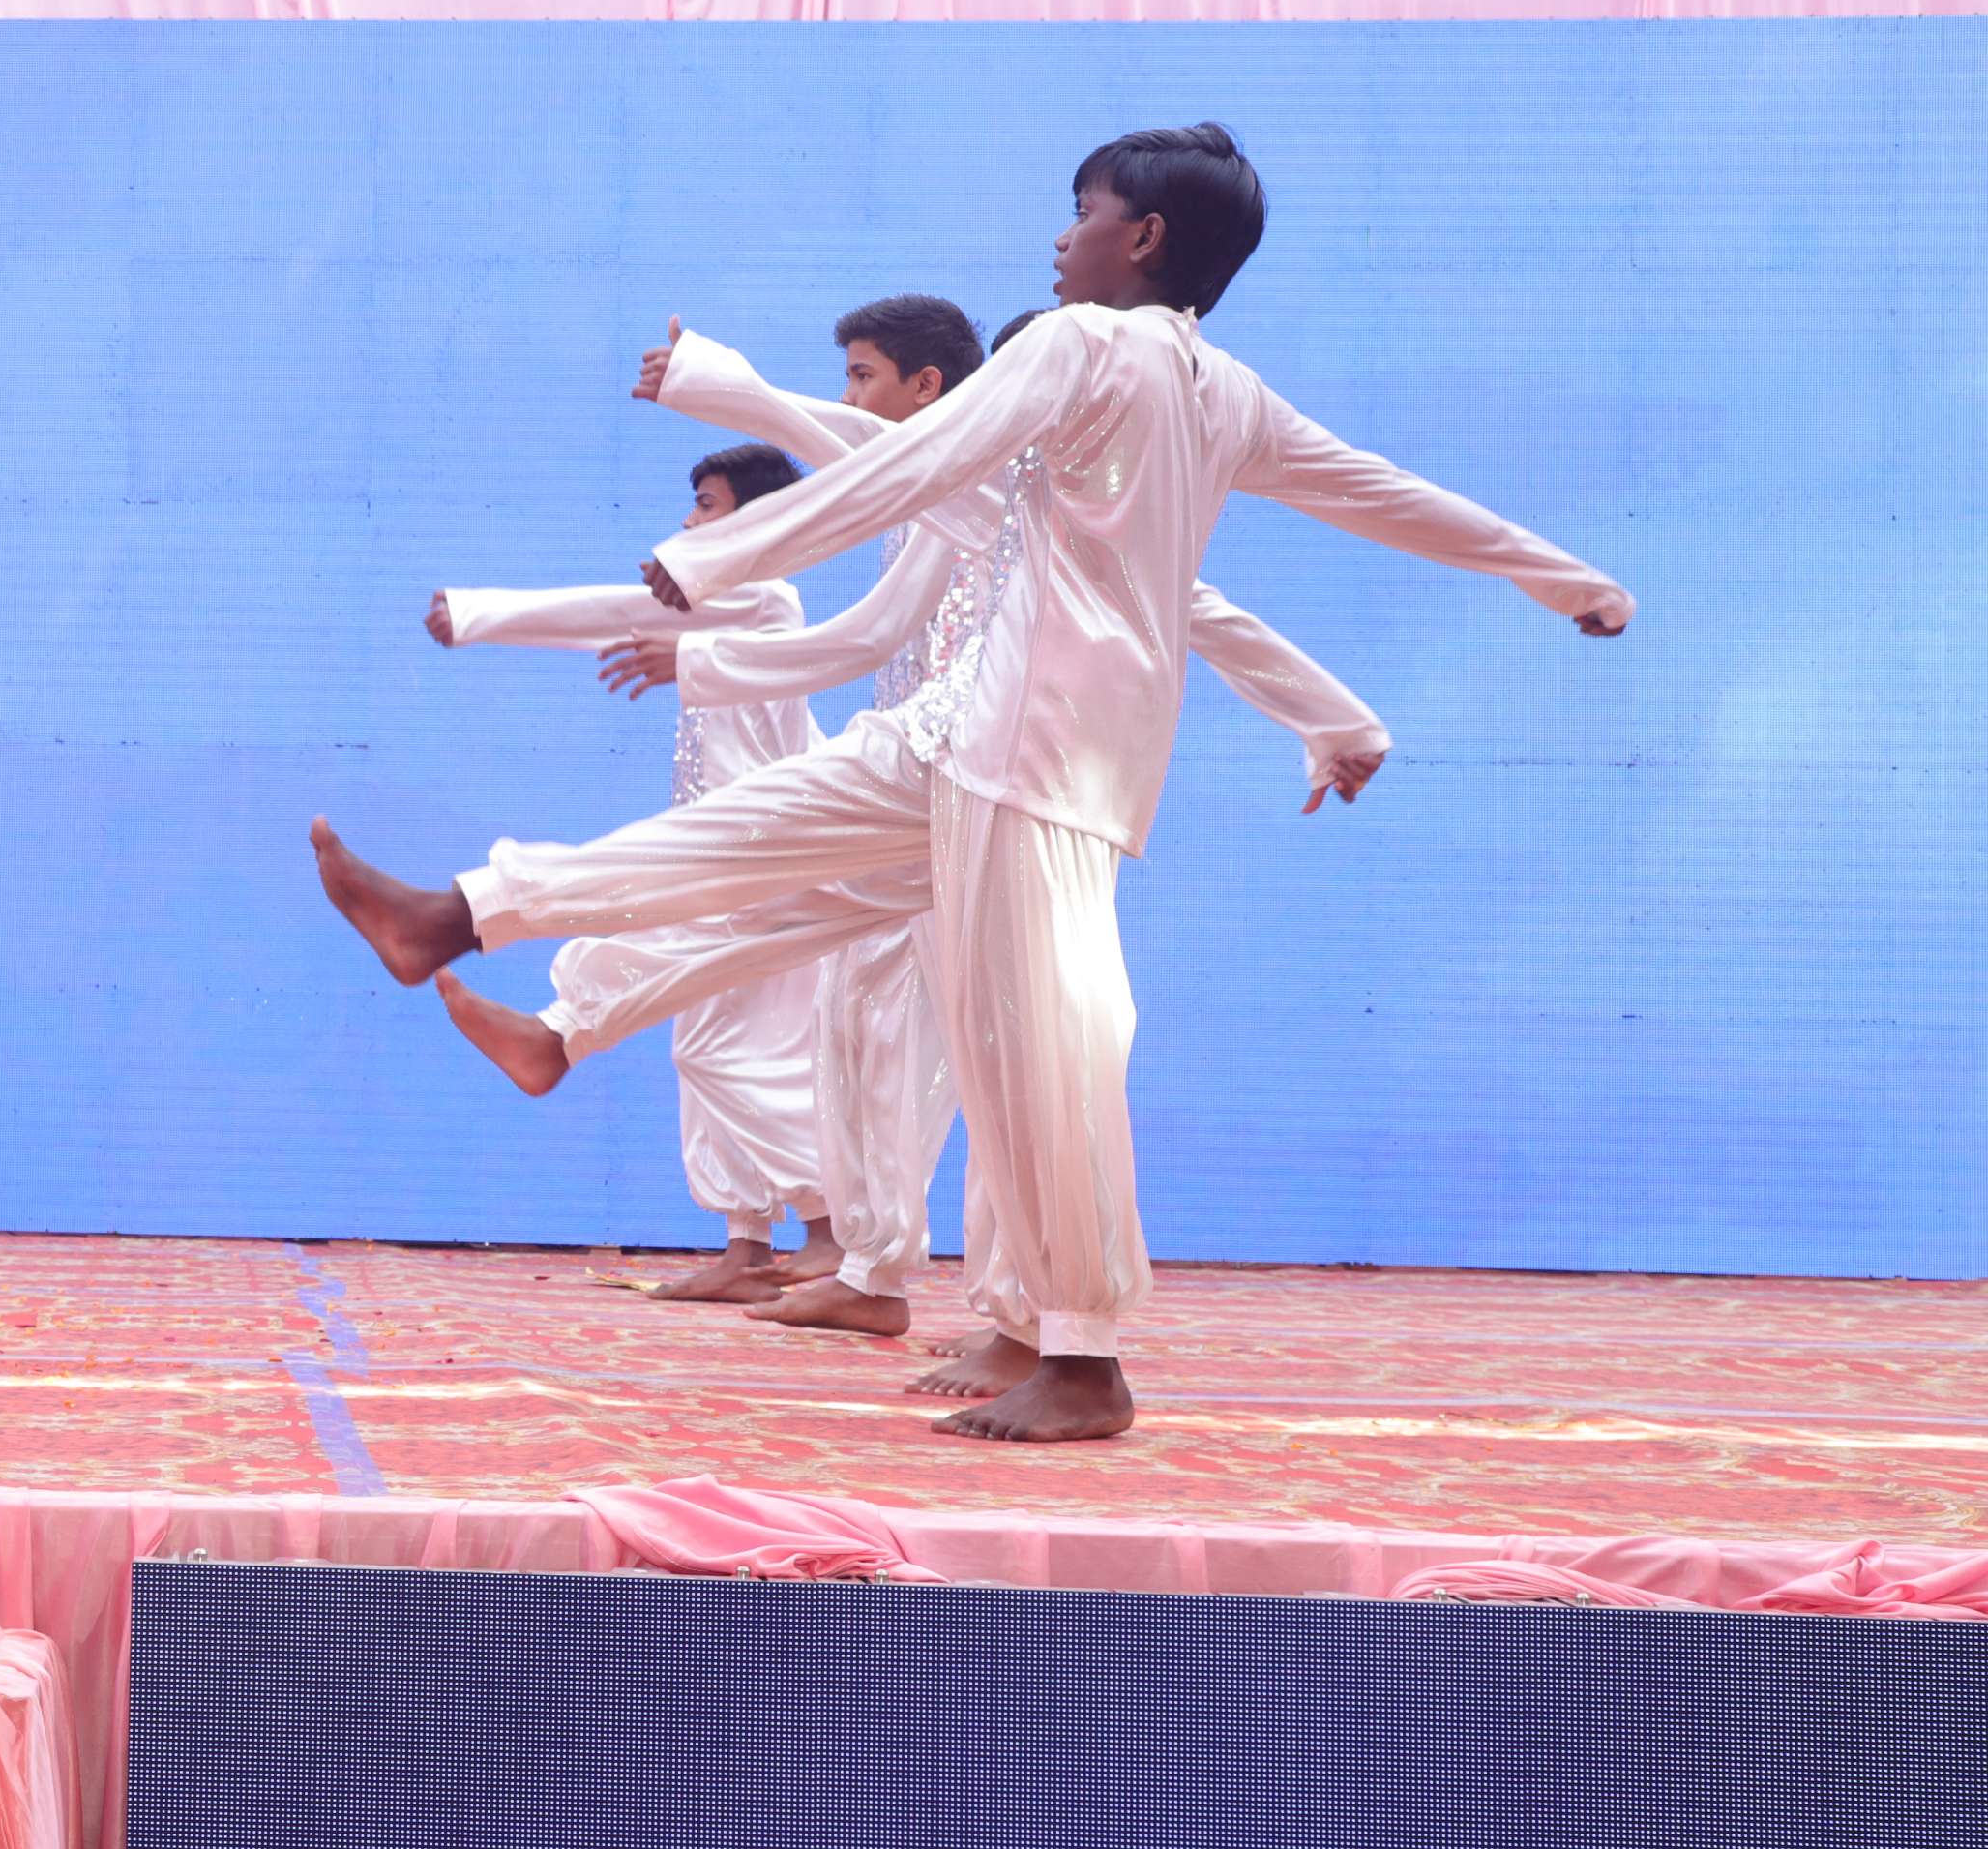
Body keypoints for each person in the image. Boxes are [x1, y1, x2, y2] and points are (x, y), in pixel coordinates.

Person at [314, 126, 1632, 1444]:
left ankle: (1082, 1355)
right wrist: (1559, 579)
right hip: (975, 731)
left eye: (1082, 210)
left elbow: (914, 461)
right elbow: (1380, 493)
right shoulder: (1220, 391)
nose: (1060, 236)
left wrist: (722, 556)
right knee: (748, 837)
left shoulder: (1081, 346)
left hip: (1034, 748)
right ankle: (459, 913)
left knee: (1044, 1037)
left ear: (1143, 237)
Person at [498, 301, 1393, 1347]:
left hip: (1007, 801)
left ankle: (1022, 1317)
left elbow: (1204, 611)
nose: (849, 397)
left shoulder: (1053, 505)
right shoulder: (950, 494)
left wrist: (716, 381)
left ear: (945, 390)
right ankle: (870, 1264)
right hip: (919, 787)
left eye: (864, 374)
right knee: (857, 1022)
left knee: (1005, 1045)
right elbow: (863, 602)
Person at [429, 444, 832, 1301]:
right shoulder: (733, 603)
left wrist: (478, 614)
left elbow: (611, 611)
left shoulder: (761, 593)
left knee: (716, 1046)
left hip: (757, 856)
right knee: (706, 1044)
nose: (688, 521)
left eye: (708, 505)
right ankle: (749, 1245)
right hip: (725, 853)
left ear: (757, 519)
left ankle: (831, 1223)